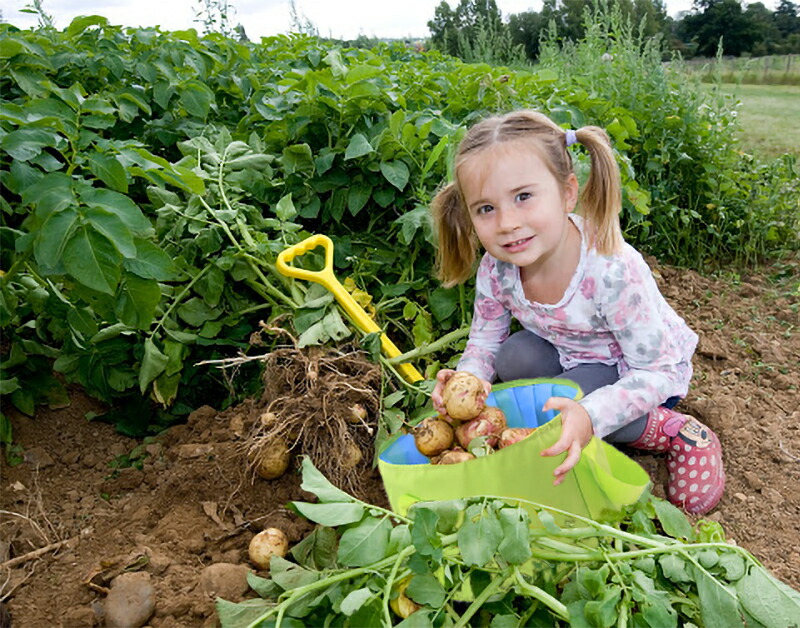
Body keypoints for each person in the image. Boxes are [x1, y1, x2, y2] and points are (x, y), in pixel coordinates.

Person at [429, 110, 725, 515]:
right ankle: (573, 411)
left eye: (523, 197)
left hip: (640, 373)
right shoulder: (496, 268)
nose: (507, 223)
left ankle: (674, 432)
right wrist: (470, 384)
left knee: (560, 412)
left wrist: (590, 415)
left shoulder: (611, 270)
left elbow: (657, 371)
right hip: (570, 357)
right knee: (512, 356)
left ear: (567, 193)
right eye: (486, 208)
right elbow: (484, 342)